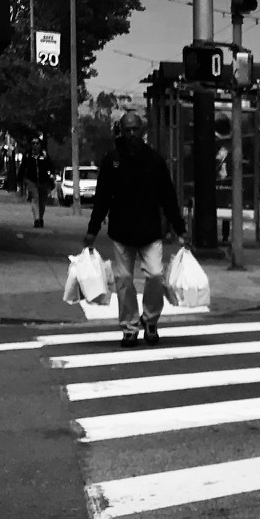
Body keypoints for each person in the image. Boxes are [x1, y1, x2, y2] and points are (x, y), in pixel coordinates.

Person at [84, 112, 187, 347]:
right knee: (123, 279)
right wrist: (93, 229)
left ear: (142, 131)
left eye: (135, 129)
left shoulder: (154, 161)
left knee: (155, 275)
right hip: (122, 232)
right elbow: (102, 198)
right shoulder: (112, 160)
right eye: (127, 129)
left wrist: (180, 228)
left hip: (150, 231)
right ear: (121, 131)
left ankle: (150, 320)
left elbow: (167, 196)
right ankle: (130, 327)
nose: (131, 134)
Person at [22, 139, 55, 228]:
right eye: (33, 143)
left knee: (42, 201)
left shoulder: (44, 155)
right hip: (31, 180)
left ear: (40, 145)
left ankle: (40, 218)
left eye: (37, 143)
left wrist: (52, 175)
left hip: (43, 181)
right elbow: (23, 167)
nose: (35, 145)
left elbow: (51, 166)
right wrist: (21, 178)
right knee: (35, 197)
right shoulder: (28, 155)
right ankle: (36, 219)